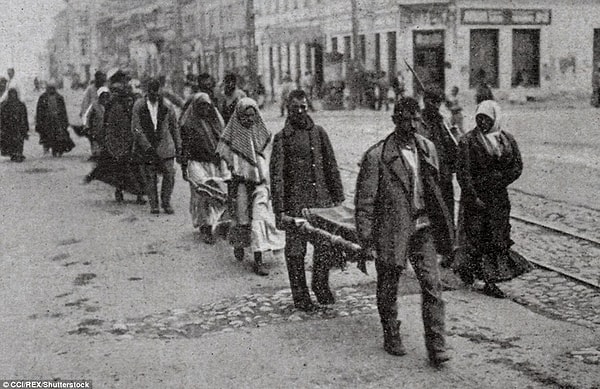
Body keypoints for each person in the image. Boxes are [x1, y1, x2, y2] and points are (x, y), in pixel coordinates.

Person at [354, 97, 454, 366]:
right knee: (388, 285)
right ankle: (391, 333)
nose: (411, 126)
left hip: (424, 229)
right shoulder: (378, 157)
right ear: (394, 121)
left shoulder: (428, 148)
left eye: (415, 120)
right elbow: (365, 202)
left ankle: (436, 345)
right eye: (405, 120)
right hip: (392, 230)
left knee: (433, 286)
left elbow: (439, 189)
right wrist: (366, 239)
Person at [270, 89, 345, 310]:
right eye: (296, 108)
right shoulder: (282, 139)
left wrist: (338, 199)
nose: (301, 111)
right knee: (295, 251)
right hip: (295, 205)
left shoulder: (319, 133)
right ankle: (300, 296)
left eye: (304, 106)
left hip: (320, 203)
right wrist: (280, 210)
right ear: (288, 109)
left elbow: (331, 167)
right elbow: (277, 177)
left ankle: (320, 286)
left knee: (324, 248)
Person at [454, 100, 531, 298]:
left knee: (496, 237)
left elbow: (517, 165)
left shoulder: (506, 139)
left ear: (495, 119)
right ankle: (480, 277)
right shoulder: (468, 141)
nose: (482, 123)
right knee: (477, 237)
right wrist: (473, 196)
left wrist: (501, 180)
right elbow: (463, 173)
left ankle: (490, 278)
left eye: (486, 119)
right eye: (479, 118)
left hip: (498, 198)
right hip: (477, 198)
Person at [216, 98, 285, 276]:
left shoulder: (261, 133)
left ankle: (258, 259)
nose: (249, 120)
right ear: (239, 116)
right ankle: (239, 243)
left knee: (259, 220)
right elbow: (225, 161)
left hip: (261, 184)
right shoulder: (231, 135)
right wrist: (230, 178)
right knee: (242, 220)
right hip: (240, 184)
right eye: (245, 116)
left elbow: (270, 158)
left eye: (252, 116)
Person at [180, 92, 230, 243]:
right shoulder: (188, 125)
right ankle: (205, 227)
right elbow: (184, 149)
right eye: (201, 106)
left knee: (218, 193)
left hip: (213, 163)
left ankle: (221, 224)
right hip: (196, 163)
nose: (204, 109)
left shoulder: (215, 122)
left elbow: (223, 143)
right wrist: (184, 167)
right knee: (202, 193)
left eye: (207, 106)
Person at [86, 78, 146, 204]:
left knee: (127, 170)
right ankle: (134, 194)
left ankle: (131, 193)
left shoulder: (124, 104)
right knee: (129, 170)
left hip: (126, 142)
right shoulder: (118, 106)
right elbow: (109, 126)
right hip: (123, 143)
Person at [132, 78, 181, 214]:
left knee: (169, 175)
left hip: (165, 147)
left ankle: (166, 202)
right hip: (146, 148)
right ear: (147, 91)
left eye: (156, 91)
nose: (154, 94)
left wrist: (178, 147)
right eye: (151, 91)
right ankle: (154, 204)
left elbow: (174, 127)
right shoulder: (139, 106)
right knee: (150, 176)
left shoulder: (167, 106)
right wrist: (146, 145)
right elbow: (136, 128)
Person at [422, 88, 460, 226]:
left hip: (444, 174)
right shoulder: (418, 122)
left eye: (439, 102)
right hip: (427, 177)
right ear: (425, 101)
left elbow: (454, 144)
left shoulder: (443, 121)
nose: (436, 106)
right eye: (433, 102)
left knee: (447, 211)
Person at [35, 80, 74, 157]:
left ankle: (56, 151)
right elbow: (39, 111)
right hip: (46, 121)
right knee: (46, 136)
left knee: (58, 137)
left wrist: (65, 122)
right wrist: (39, 121)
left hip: (57, 121)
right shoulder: (43, 97)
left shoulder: (59, 97)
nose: (51, 90)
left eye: (53, 88)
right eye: (50, 88)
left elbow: (63, 111)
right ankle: (46, 151)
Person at [81, 71, 107, 160]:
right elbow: (85, 102)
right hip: (93, 115)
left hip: (103, 114)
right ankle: (95, 152)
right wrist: (84, 117)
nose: (100, 80)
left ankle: (101, 152)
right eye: (99, 78)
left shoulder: (105, 89)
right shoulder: (90, 89)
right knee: (93, 136)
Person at [0, 88, 29, 162]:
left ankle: (18, 154)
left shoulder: (21, 105)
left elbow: (24, 116)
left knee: (19, 141)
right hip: (8, 127)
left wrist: (26, 127)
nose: (13, 96)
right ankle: (13, 154)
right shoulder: (4, 105)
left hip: (19, 126)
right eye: (11, 94)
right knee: (10, 142)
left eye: (14, 94)